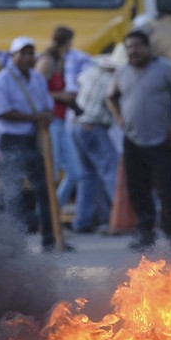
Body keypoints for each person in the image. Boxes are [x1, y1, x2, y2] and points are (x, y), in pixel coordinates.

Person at [106, 29, 171, 252]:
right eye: (128, 48)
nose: (133, 51)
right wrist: (119, 118)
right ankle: (145, 234)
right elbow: (110, 96)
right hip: (133, 140)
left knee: (165, 188)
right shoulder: (122, 72)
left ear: (148, 47)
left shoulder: (166, 68)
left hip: (162, 139)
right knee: (137, 188)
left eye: (137, 46)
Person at [0, 36, 62, 252]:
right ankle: (15, 243)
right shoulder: (3, 79)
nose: (28, 57)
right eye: (23, 53)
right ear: (13, 56)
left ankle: (51, 239)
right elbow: (2, 112)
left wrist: (46, 116)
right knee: (14, 191)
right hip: (12, 139)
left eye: (31, 53)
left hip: (35, 137)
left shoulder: (38, 79)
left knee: (45, 187)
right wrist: (36, 118)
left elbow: (47, 105)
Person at [68, 54, 119, 235]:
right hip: (94, 126)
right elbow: (112, 99)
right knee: (111, 171)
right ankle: (118, 219)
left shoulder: (89, 73)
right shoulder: (111, 79)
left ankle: (83, 221)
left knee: (88, 175)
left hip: (77, 125)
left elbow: (78, 86)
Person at [36, 26, 80, 211]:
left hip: (61, 121)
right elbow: (37, 90)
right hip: (50, 122)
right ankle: (46, 216)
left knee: (75, 171)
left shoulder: (60, 61)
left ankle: (53, 210)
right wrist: (60, 96)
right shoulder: (47, 61)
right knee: (51, 172)